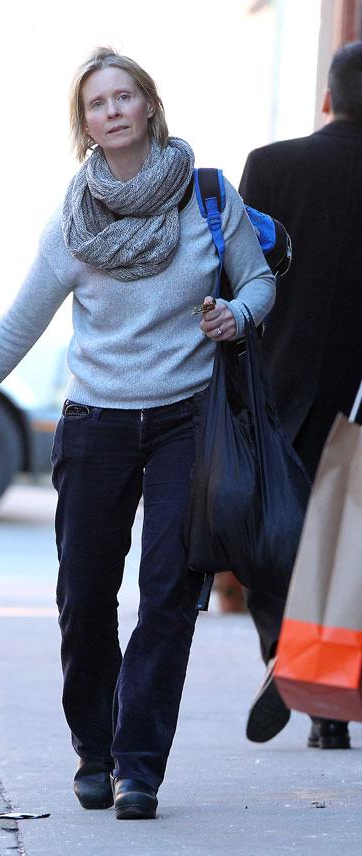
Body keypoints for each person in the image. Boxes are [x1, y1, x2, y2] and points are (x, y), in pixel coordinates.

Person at [0, 47, 275, 821]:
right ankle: (95, 748)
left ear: (150, 107)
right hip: (95, 424)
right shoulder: (73, 221)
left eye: (125, 97)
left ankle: (138, 767)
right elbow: (21, 323)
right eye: (97, 102)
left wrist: (237, 314)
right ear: (83, 124)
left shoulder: (207, 196)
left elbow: (258, 279)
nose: (112, 110)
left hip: (188, 418)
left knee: (168, 598)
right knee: (84, 597)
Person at [239, 41, 362, 751]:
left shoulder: (273, 164)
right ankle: (328, 691)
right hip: (359, 397)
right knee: (346, 545)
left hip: (275, 389)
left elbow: (233, 269)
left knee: (269, 541)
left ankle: (286, 660)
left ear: (328, 98)